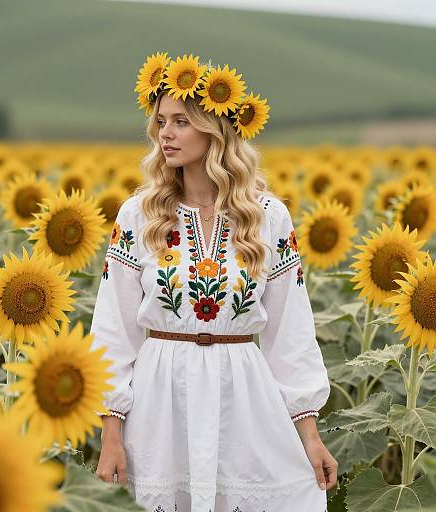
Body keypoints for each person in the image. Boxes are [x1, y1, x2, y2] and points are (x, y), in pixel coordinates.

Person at [91, 52, 337, 512]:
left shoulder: (268, 217)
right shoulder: (139, 215)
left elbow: (291, 334)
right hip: (159, 401)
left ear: (215, 129)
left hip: (244, 397)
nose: (165, 133)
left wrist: (309, 435)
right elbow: (113, 331)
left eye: (181, 120)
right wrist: (111, 432)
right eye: (161, 121)